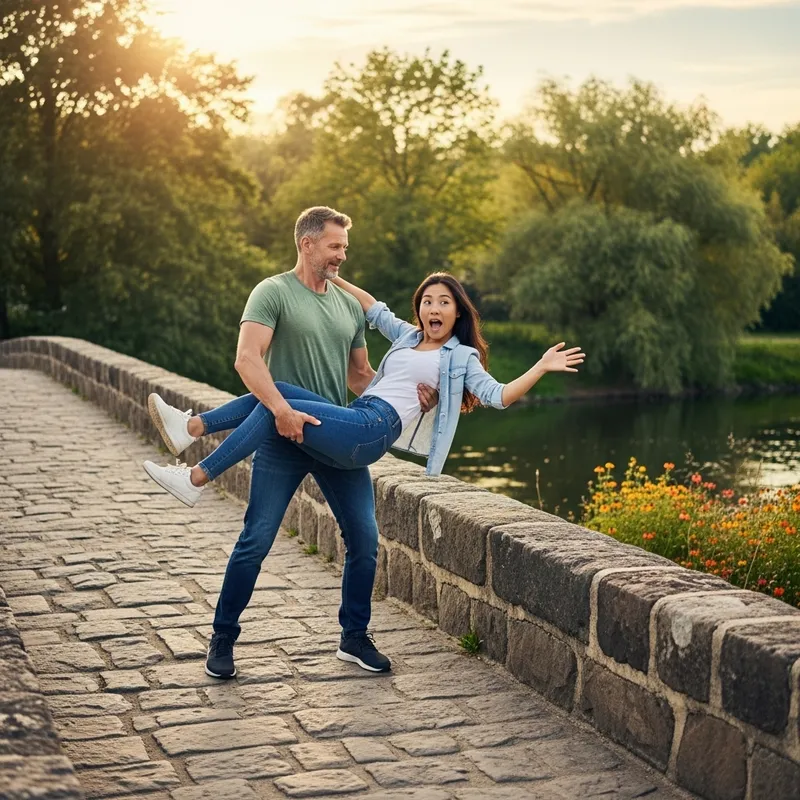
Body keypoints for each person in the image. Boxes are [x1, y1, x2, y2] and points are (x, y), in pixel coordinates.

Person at [144, 241, 586, 682]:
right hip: (338, 423)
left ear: (457, 314)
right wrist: (337, 279)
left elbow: (499, 396)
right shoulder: (406, 336)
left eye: (443, 302)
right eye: (427, 300)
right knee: (278, 428)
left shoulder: (460, 357)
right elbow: (376, 309)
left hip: (364, 431)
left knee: (282, 410)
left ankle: (197, 464)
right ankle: (232, 637)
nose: (433, 308)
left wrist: (541, 367)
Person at [148, 206, 438, 680]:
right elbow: (247, 360)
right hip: (280, 434)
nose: (342, 255)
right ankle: (222, 638)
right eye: (335, 247)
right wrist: (282, 413)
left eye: (344, 247)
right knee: (255, 541)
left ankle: (354, 637)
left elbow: (362, 378)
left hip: (334, 434)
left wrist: (416, 401)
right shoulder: (272, 291)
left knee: (365, 542)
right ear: (307, 244)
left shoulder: (347, 306)